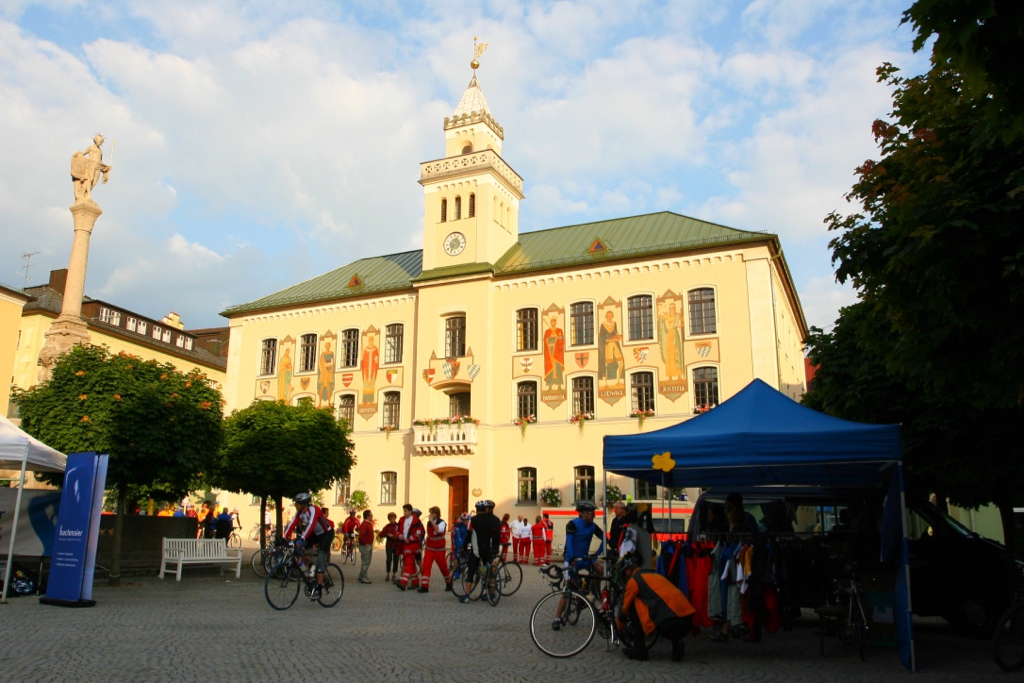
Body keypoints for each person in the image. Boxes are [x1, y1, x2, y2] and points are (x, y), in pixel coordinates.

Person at [617, 553, 695, 661]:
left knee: (634, 605)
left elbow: (624, 608)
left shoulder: (634, 581)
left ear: (627, 571)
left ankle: (640, 650)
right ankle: (676, 646)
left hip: (668, 625)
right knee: (666, 606)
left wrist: (619, 628)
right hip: (687, 622)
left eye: (624, 575)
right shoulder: (655, 575)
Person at [553, 501, 605, 630]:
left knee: (600, 569)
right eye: (591, 513)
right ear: (582, 514)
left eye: (594, 513)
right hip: (571, 558)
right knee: (568, 588)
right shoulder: (573, 524)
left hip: (585, 557)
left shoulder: (593, 526)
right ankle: (557, 617)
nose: (593, 515)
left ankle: (593, 588)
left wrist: (596, 554)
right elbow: (569, 542)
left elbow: (605, 538)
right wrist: (570, 557)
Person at [281, 492, 335, 600]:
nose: (295, 505)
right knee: (297, 549)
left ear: (303, 503)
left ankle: (319, 590)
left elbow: (311, 524)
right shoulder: (299, 513)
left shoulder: (313, 509)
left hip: (326, 533)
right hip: (315, 534)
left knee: (320, 560)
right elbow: (292, 524)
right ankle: (310, 567)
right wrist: (284, 538)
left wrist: (302, 539)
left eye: (296, 503)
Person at [460, 500, 501, 604]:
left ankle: (466, 596)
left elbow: (469, 536)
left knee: (471, 572)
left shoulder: (473, 520)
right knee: (490, 573)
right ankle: (492, 595)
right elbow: (496, 536)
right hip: (488, 551)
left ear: (477, 509)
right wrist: (494, 549)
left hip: (476, 551)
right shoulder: (494, 520)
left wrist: (464, 547)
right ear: (486, 509)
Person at [420, 506, 452, 593]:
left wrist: (431, 521)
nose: (430, 515)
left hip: (439, 550)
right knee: (426, 566)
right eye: (430, 513)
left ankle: (449, 583)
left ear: (436, 514)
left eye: (432, 513)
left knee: (443, 568)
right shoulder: (429, 523)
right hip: (429, 549)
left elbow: (438, 530)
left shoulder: (442, 523)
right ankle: (424, 586)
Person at [396, 504, 425, 591]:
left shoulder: (417, 521)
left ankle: (403, 582)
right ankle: (415, 582)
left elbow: (420, 533)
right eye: (403, 511)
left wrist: (410, 539)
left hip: (413, 544)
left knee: (408, 562)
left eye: (405, 511)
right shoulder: (401, 520)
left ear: (410, 511)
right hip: (404, 543)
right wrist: (399, 535)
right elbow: (397, 530)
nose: (404, 513)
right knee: (411, 563)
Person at [378, 512, 401, 583]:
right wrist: (387, 534)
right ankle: (388, 573)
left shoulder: (398, 526)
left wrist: (394, 536)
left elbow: (401, 534)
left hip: (397, 545)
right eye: (390, 519)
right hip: (389, 545)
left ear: (395, 518)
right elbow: (381, 534)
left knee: (396, 559)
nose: (392, 520)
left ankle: (394, 574)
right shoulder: (387, 526)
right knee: (388, 559)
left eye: (393, 518)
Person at [357, 509, 375, 584]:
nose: (372, 516)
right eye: (371, 515)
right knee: (366, 561)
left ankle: (361, 575)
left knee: (367, 561)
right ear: (367, 516)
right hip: (365, 545)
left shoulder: (368, 524)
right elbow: (361, 535)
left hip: (368, 544)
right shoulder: (364, 524)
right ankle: (363, 577)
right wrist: (365, 543)